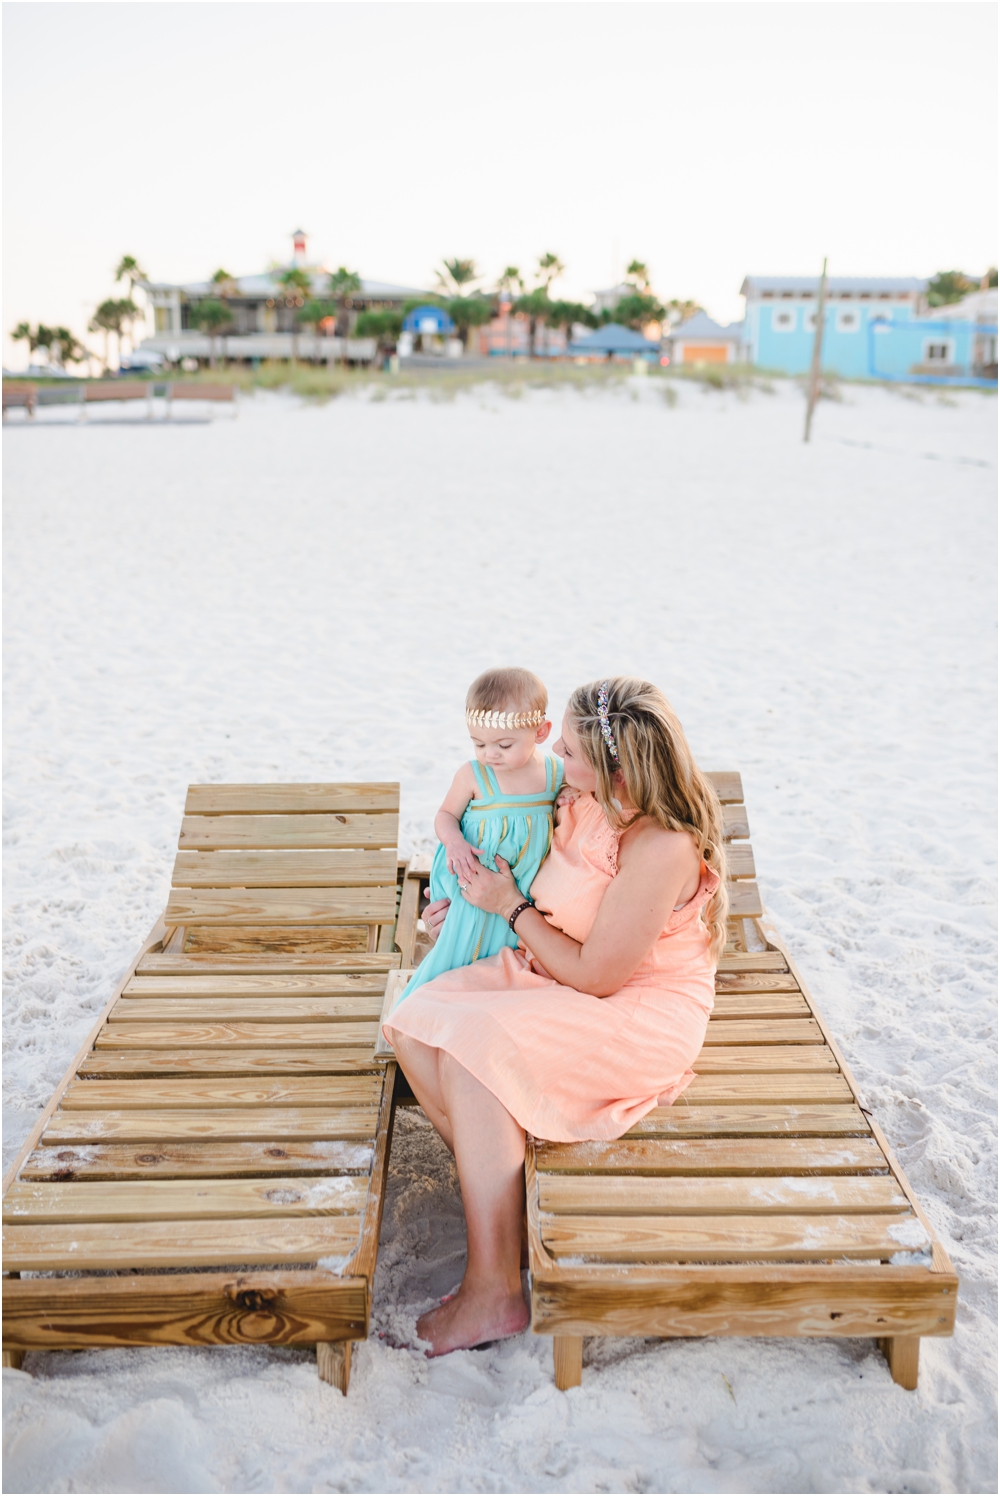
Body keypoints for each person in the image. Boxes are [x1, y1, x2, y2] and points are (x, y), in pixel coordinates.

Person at [384, 677, 728, 1357]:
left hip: (630, 1004)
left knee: (474, 1054)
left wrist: (509, 906)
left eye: (568, 749)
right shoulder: (584, 799)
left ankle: (494, 1290)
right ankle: (502, 1212)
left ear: (617, 769)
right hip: (553, 965)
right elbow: (514, 852)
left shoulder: (661, 846)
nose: (556, 760)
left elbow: (601, 974)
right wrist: (464, 902)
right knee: (415, 1020)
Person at [396, 667, 562, 1005]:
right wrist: (454, 841)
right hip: (471, 876)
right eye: (478, 743)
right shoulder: (473, 775)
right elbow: (445, 816)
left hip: (519, 885)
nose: (490, 754)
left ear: (541, 731)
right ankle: (429, 1003)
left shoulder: (555, 774)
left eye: (504, 744)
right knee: (459, 950)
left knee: (501, 951)